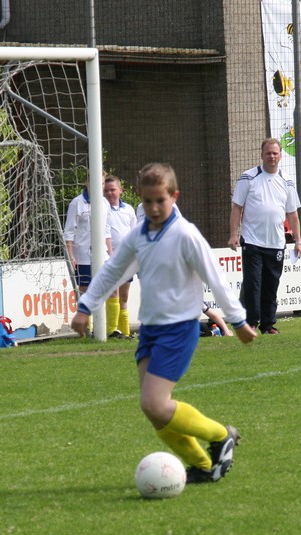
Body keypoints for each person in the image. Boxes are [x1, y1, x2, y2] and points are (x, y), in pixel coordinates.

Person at [71, 163, 257, 484]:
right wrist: (85, 306)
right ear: (139, 199)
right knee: (153, 411)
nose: (154, 208)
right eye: (147, 201)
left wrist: (237, 319)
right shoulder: (138, 235)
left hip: (180, 329)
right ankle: (202, 465)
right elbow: (113, 270)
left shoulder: (185, 234)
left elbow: (215, 277)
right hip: (151, 330)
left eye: (161, 200)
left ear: (174, 196)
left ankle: (220, 435)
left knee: (154, 402)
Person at [228, 138, 301, 335]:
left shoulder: (287, 181)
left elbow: (292, 214)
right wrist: (233, 235)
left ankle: (268, 325)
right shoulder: (248, 177)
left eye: (275, 153)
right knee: (253, 284)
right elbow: (237, 208)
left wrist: (298, 241)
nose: (272, 156)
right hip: (252, 241)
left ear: (280, 156)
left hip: (276, 243)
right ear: (261, 155)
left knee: (271, 286)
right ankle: (251, 323)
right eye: (268, 153)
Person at [102, 174, 138, 339]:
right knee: (113, 293)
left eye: (112, 190)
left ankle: (125, 332)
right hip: (109, 259)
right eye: (106, 190)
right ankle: (111, 330)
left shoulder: (128, 209)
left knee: (124, 296)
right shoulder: (102, 209)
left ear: (120, 190)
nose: (109, 193)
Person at [63, 185, 94, 297]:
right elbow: (69, 231)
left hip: (101, 255)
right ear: (87, 183)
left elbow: (107, 229)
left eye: (103, 183)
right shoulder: (76, 202)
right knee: (85, 291)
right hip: (83, 256)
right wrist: (70, 255)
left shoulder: (104, 203)